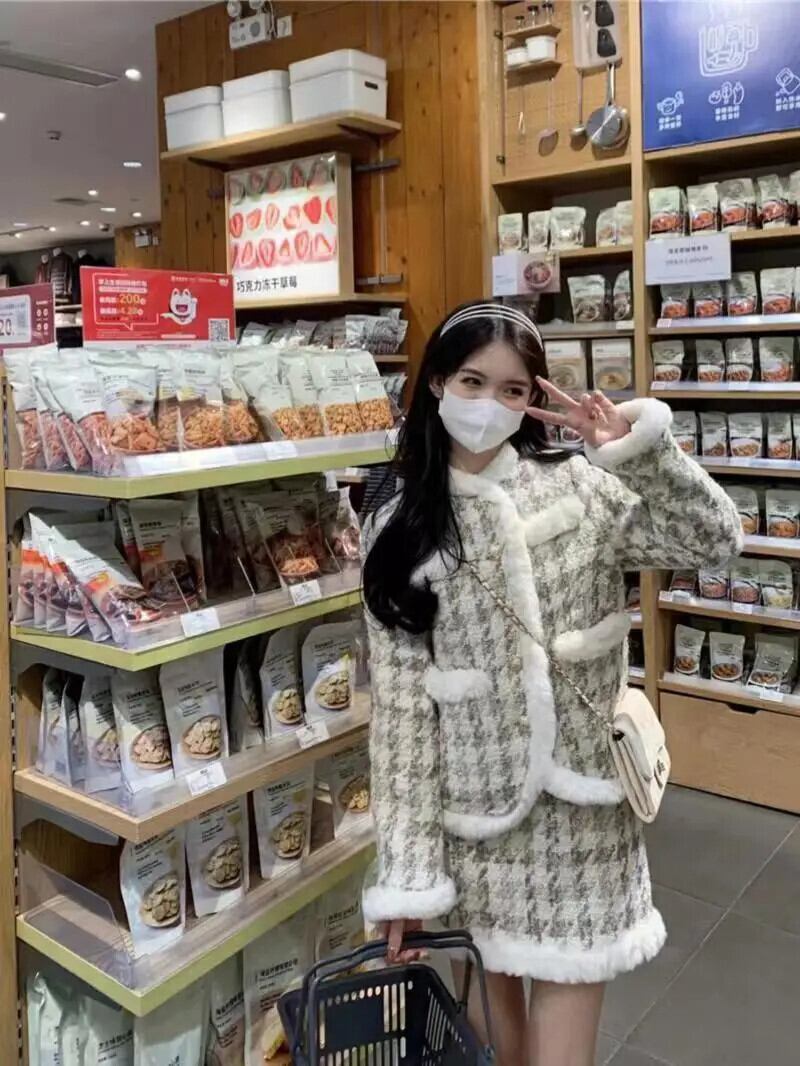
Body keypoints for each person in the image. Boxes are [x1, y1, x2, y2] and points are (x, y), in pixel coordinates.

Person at [361, 301, 742, 1066]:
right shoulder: (399, 521)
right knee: (494, 1046)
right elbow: (401, 718)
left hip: (584, 817)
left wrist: (634, 448)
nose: (490, 405)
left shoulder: (581, 487)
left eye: (512, 390)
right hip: (475, 820)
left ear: (533, 400)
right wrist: (406, 875)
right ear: (436, 383)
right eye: (473, 381)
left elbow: (714, 539)